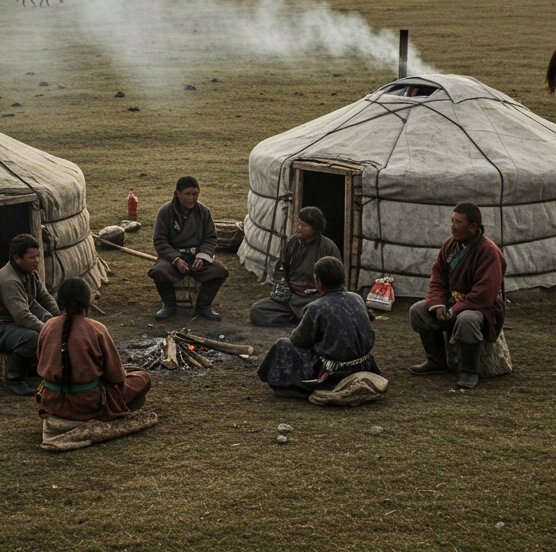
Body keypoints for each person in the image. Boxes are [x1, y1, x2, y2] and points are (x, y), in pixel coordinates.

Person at [408, 201, 506, 389]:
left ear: (473, 227)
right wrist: (438, 305)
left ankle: (470, 371)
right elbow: (437, 278)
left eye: (457, 222)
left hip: (483, 307)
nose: (452, 227)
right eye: (452, 221)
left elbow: (483, 294)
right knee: (418, 311)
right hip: (452, 302)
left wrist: (455, 309)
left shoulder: (489, 252)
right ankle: (436, 361)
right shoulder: (450, 245)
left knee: (467, 319)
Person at [257, 256, 380, 399]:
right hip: (364, 364)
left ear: (319, 282)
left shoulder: (317, 307)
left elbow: (299, 340)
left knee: (282, 345)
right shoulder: (357, 298)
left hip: (334, 370)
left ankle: (293, 387)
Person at [36, 278, 151, 422]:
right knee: (142, 377)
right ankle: (106, 412)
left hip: (52, 400)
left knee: (130, 371)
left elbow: (41, 360)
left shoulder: (47, 326)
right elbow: (116, 376)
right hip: (87, 403)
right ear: (87, 301)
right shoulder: (97, 329)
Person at [0, 233, 60, 396]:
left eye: (38, 256)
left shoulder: (29, 272)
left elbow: (44, 297)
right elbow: (22, 317)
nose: (37, 260)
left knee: (49, 320)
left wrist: (59, 320)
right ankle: (14, 380)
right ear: (17, 258)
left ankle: (33, 366)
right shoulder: (10, 281)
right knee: (32, 337)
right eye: (32, 257)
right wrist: (49, 330)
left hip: (10, 321)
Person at [148, 176, 230, 321]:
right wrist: (175, 259)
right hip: (172, 257)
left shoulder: (203, 212)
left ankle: (203, 306)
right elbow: (160, 241)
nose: (191, 198)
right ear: (177, 194)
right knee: (159, 271)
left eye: (195, 194)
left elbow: (211, 238)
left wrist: (203, 256)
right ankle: (169, 305)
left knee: (220, 270)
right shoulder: (165, 212)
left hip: (196, 256)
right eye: (187, 194)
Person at [249, 206, 342, 327]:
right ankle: (300, 320)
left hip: (315, 298)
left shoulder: (328, 247)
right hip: (292, 298)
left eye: (304, 226)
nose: (299, 228)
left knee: (329, 314)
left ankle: (305, 319)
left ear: (315, 228)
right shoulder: (292, 243)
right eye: (298, 224)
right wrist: (283, 290)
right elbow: (281, 269)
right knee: (257, 311)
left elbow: (337, 279)